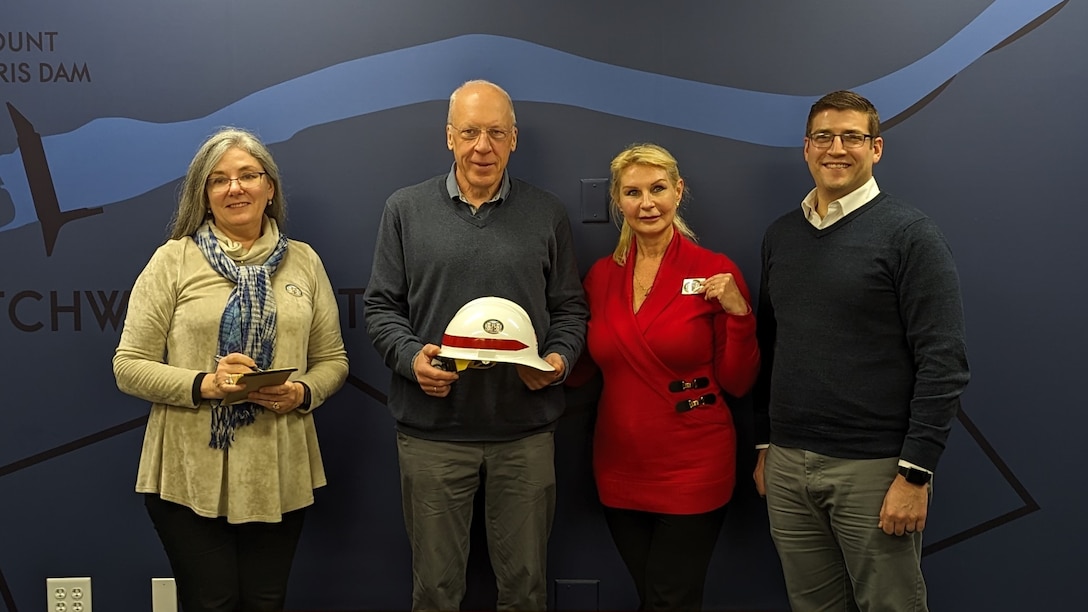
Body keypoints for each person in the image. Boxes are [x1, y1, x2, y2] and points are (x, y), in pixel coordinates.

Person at [362, 80, 587, 611]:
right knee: (436, 592)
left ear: (514, 139)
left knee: (526, 590)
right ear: (449, 137)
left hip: (524, 433)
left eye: (495, 133)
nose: (481, 146)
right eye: (469, 132)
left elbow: (571, 309)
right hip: (433, 433)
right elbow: (380, 308)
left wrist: (557, 361)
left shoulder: (547, 212)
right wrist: (411, 359)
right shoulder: (405, 209)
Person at [113, 127, 348, 612]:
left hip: (278, 469)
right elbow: (128, 366)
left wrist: (302, 393)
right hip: (188, 472)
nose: (234, 188)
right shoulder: (173, 261)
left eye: (247, 176)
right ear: (204, 194)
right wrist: (207, 384)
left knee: (266, 602)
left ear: (270, 188)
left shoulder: (303, 262)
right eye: (218, 180)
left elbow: (333, 362)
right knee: (212, 602)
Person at [752, 90, 970, 611]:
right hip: (787, 467)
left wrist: (915, 474)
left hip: (875, 470)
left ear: (877, 148)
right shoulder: (781, 235)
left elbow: (944, 364)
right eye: (824, 136)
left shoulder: (910, 236)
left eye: (852, 136)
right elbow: (770, 343)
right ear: (806, 148)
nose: (837, 148)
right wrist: (765, 446)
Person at [569, 143, 759, 611]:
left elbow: (737, 382)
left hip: (693, 465)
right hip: (619, 466)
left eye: (657, 189)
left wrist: (739, 314)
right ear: (618, 202)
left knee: (670, 600)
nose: (647, 203)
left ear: (679, 190)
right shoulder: (600, 277)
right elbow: (582, 371)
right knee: (652, 596)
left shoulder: (715, 271)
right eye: (633, 192)